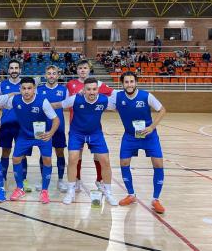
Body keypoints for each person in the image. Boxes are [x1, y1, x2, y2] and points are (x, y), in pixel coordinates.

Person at [52, 77, 118, 206]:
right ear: (84, 90)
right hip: (77, 133)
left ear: (98, 90)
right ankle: (71, 190)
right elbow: (58, 105)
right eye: (88, 89)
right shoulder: (75, 99)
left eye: (94, 89)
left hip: (95, 134)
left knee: (105, 160)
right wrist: (39, 104)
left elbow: (119, 107)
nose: (92, 92)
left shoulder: (104, 100)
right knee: (73, 158)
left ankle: (108, 192)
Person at [107, 71, 167, 214]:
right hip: (130, 136)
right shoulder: (117, 97)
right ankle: (131, 195)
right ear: (122, 84)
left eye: (131, 81)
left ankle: (156, 199)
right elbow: (102, 102)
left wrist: (152, 127)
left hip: (149, 135)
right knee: (124, 163)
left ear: (136, 82)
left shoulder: (146, 96)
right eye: (126, 82)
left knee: (158, 164)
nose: (129, 84)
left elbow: (162, 109)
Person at [7, 77, 60, 204]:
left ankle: (44, 191)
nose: (26, 91)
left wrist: (50, 133)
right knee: (15, 158)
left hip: (42, 135)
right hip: (25, 135)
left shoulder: (42, 101)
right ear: (20, 89)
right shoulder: (14, 99)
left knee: (47, 159)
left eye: (29, 88)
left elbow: (56, 119)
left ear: (34, 89)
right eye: (23, 88)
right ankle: (20, 188)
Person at [66, 59, 113, 191]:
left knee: (98, 155)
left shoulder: (98, 84)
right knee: (77, 155)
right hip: (76, 126)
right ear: (76, 70)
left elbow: (113, 94)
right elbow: (66, 101)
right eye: (80, 68)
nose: (82, 70)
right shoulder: (70, 84)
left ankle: (99, 180)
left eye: (85, 68)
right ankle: (77, 180)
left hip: (93, 127)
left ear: (89, 69)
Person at [0, 59, 31, 191]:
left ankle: (23, 180)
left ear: (20, 70)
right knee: (6, 152)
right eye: (11, 68)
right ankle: (3, 178)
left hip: (22, 125)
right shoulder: (3, 85)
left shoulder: (26, 85)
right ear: (8, 70)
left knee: (21, 153)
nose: (14, 71)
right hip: (6, 124)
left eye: (16, 68)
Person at [36, 65, 68, 192]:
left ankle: (60, 180)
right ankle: (44, 178)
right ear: (45, 75)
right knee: (43, 153)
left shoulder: (64, 90)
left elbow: (71, 102)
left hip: (58, 127)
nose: (51, 75)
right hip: (43, 127)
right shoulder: (39, 89)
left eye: (54, 73)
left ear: (58, 75)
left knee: (60, 153)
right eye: (49, 73)